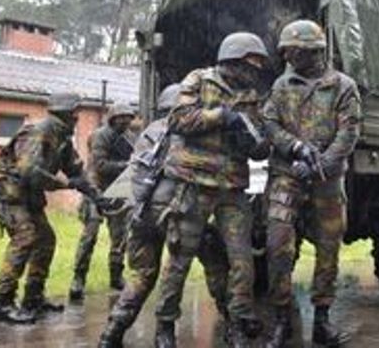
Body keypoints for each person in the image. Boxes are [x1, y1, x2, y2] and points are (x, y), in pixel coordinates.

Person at [154, 32, 271, 348]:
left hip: (232, 187)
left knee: (242, 260)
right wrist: (222, 116)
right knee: (180, 256)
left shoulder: (251, 94)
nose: (256, 70)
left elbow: (259, 138)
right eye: (252, 63)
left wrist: (256, 143)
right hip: (195, 183)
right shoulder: (199, 79)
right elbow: (178, 119)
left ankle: (237, 320)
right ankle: (165, 325)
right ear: (232, 59)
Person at [98, 84, 234, 348]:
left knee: (141, 275)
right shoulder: (194, 132)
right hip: (177, 210)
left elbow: (132, 174)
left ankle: (111, 333)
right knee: (205, 264)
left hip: (139, 213)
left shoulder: (148, 131)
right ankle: (171, 332)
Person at [263, 19, 361, 348]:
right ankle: (281, 320)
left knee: (329, 247)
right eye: (286, 51)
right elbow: (270, 122)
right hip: (286, 175)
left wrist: (322, 164)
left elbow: (349, 132)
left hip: (326, 179)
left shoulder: (342, 86)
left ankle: (322, 318)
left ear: (313, 51)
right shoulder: (281, 85)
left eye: (293, 51)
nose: (288, 56)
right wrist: (294, 148)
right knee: (277, 244)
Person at [0, 92, 96, 323]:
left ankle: (33, 298)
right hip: (9, 191)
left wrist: (96, 193)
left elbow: (75, 170)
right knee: (25, 238)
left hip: (27, 195)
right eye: (74, 112)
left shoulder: (62, 136)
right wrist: (63, 184)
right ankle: (2, 303)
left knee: (46, 240)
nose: (77, 117)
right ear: (64, 113)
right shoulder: (42, 130)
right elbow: (29, 173)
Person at [69, 103, 136, 300]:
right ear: (112, 118)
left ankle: (116, 276)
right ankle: (78, 278)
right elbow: (100, 165)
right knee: (89, 236)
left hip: (119, 190)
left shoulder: (130, 138)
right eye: (121, 117)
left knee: (120, 237)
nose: (125, 121)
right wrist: (128, 165)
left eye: (128, 117)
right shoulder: (101, 135)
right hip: (95, 188)